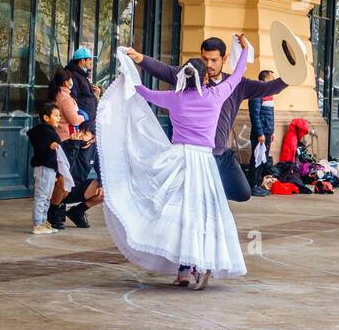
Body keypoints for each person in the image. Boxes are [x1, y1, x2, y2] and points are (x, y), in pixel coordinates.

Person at [99, 34, 253, 290]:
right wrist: (245, 50)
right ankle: (201, 263)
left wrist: (130, 70)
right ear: (204, 78)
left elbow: (142, 92)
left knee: (179, 213)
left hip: (179, 159)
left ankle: (183, 268)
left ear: (183, 76)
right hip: (204, 162)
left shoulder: (174, 98)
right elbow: (237, 74)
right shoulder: (216, 95)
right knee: (204, 214)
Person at [124, 36, 286, 203]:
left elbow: (268, 88)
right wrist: (139, 58)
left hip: (221, 154)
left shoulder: (235, 85)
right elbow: (163, 69)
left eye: (214, 60)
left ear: (224, 59)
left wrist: (289, 77)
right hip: (191, 156)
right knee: (188, 201)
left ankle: (211, 192)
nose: (208, 65)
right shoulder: (187, 78)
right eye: (205, 59)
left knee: (242, 193)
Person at [46, 70, 100, 229]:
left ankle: (77, 211)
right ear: (65, 82)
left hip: (78, 184)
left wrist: (102, 184)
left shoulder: (95, 148)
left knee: (104, 189)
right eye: (69, 81)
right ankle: (54, 210)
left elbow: (101, 168)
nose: (82, 135)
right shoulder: (65, 99)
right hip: (65, 144)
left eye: (86, 133)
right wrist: (83, 117)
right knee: (64, 179)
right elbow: (66, 167)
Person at [25, 102, 65, 236]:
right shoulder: (43, 132)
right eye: (56, 115)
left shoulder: (50, 131)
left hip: (50, 169)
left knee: (47, 197)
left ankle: (43, 222)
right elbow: (41, 147)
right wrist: (49, 146)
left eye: (59, 115)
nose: (59, 118)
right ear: (46, 117)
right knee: (41, 197)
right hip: (44, 168)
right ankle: (37, 224)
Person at [247, 70, 277, 197]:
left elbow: (270, 115)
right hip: (261, 133)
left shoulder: (267, 93)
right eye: (272, 78)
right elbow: (255, 115)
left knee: (262, 159)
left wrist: (272, 131)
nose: (274, 81)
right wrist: (260, 133)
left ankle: (258, 185)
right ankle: (253, 186)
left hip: (267, 132)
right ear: (266, 79)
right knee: (256, 159)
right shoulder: (257, 93)